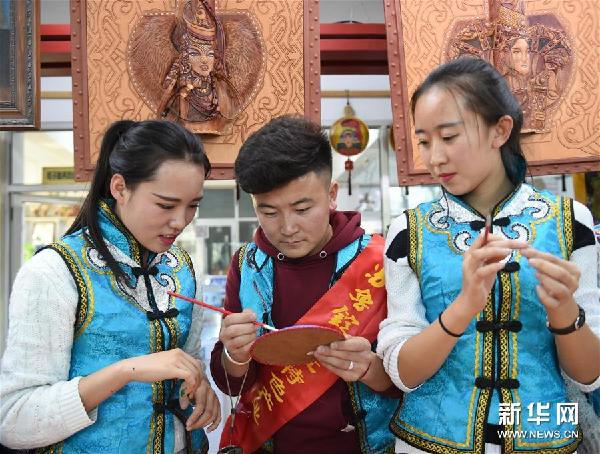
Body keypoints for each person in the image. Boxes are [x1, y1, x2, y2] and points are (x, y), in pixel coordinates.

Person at [377, 57, 599, 453]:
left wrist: (564, 311)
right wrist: (463, 306)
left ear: (500, 131)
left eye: (448, 137)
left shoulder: (571, 222)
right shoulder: (408, 232)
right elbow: (403, 374)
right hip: (428, 443)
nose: (435, 157)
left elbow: (590, 374)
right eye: (424, 141)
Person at [0, 120, 221, 453]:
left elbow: (187, 364)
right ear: (120, 188)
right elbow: (13, 419)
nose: (180, 221)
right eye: (165, 205)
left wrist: (199, 386)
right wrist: (124, 371)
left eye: (193, 205)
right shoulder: (54, 272)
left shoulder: (181, 268)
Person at [209, 115, 399, 453]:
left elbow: (414, 376)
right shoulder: (247, 265)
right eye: (268, 212)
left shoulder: (381, 260)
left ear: (331, 195)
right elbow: (231, 383)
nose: (287, 228)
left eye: (302, 208)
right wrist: (234, 356)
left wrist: (371, 369)